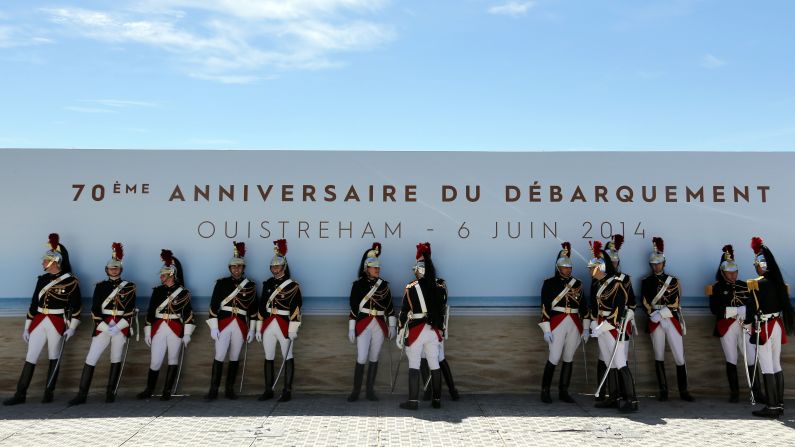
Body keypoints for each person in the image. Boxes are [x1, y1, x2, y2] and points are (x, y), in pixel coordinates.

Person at [4, 233, 82, 405]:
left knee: (54, 355)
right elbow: (33, 304)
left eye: (45, 260)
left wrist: (73, 327)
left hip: (57, 321)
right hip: (39, 320)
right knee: (31, 355)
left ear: (54, 262)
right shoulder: (42, 280)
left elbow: (76, 307)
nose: (42, 263)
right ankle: (20, 394)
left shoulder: (71, 282)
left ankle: (49, 392)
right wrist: (27, 327)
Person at [69, 242, 137, 405]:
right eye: (111, 268)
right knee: (91, 357)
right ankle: (82, 394)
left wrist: (118, 327)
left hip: (120, 326)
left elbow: (129, 310)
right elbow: (95, 308)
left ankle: (110, 392)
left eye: (116, 268)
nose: (114, 270)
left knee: (115, 357)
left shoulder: (129, 287)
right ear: (106, 270)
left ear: (120, 270)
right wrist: (106, 327)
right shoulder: (100, 286)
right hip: (103, 325)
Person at [744, 237, 794, 418]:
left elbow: (751, 310)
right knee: (776, 364)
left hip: (764, 326)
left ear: (759, 265)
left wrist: (748, 326)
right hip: (777, 325)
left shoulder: (757, 284)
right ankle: (779, 405)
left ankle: (771, 407)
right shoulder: (778, 282)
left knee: (766, 366)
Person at [707, 244, 762, 403]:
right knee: (731, 358)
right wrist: (736, 311)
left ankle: (757, 392)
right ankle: (734, 393)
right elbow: (714, 309)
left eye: (735, 272)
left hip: (745, 324)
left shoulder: (745, 285)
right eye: (729, 272)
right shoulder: (716, 288)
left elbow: (753, 304)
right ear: (723, 272)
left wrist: (747, 311)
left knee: (751, 357)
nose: (733, 275)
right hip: (727, 326)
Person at [641, 237, 693, 402]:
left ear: (664, 263)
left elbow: (676, 301)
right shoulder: (646, 281)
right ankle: (663, 390)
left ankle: (684, 391)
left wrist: (662, 314)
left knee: (679, 355)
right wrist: (652, 314)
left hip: (671, 318)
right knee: (658, 355)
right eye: (653, 264)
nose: (656, 266)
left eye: (659, 263)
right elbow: (644, 301)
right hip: (655, 320)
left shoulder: (674, 281)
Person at [138, 249, 195, 401]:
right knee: (155, 360)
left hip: (175, 328)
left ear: (171, 275)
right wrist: (147, 331)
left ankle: (167, 391)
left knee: (173, 359)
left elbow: (188, 313)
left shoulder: (183, 293)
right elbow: (150, 312)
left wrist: (188, 333)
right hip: (158, 327)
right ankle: (149, 390)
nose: (161, 277)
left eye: (163, 275)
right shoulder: (157, 291)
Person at [588, 241, 638, 413]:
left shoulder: (616, 285)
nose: (589, 271)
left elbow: (619, 309)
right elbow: (595, 308)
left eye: (592, 268)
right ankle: (614, 397)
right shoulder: (598, 285)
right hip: (601, 327)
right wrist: (594, 323)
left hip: (613, 328)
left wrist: (604, 326)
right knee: (609, 362)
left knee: (620, 362)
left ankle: (632, 400)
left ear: (601, 268)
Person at [205, 242, 258, 400]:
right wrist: (213, 327)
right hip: (224, 323)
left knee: (235, 357)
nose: (237, 269)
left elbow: (253, 310)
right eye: (234, 267)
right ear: (230, 268)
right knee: (219, 355)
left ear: (243, 268)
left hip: (241, 324)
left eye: (240, 267)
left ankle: (229, 389)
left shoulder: (250, 285)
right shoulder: (221, 283)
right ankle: (213, 389)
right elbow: (213, 305)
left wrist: (252, 329)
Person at [539, 242, 589, 403]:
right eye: (564, 267)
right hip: (557, 322)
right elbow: (545, 307)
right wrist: (546, 329)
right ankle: (545, 391)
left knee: (569, 357)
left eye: (569, 267)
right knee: (554, 356)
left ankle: (563, 391)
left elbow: (584, 307)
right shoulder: (549, 283)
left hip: (574, 322)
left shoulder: (578, 284)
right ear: (558, 267)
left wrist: (586, 328)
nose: (568, 269)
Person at [397, 242, 445, 410]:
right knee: (434, 364)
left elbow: (404, 312)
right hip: (433, 331)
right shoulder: (439, 288)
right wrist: (441, 330)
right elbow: (441, 313)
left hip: (417, 330)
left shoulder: (411, 288)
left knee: (414, 364)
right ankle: (437, 400)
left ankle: (413, 402)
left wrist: (400, 331)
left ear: (419, 269)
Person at [347, 243, 395, 402]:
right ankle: (355, 391)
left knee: (374, 356)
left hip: (379, 324)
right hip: (363, 323)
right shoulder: (358, 285)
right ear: (367, 268)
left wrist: (392, 325)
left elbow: (389, 307)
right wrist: (351, 327)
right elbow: (354, 307)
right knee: (362, 356)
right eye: (374, 267)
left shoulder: (385, 285)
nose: (377, 270)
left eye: (378, 268)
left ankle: (369, 391)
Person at [255, 239, 302, 402]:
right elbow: (262, 306)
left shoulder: (293, 286)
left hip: (284, 323)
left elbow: (296, 308)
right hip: (268, 323)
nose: (275, 269)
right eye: (273, 266)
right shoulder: (267, 283)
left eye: (278, 266)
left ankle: (287, 390)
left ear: (284, 267)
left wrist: (293, 329)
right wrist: (259, 327)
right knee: (268, 356)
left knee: (287, 355)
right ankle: (268, 389)